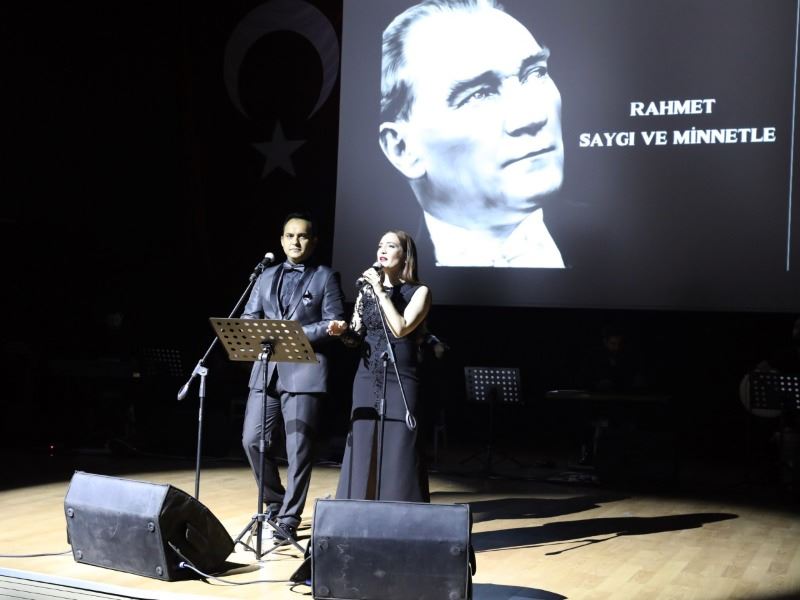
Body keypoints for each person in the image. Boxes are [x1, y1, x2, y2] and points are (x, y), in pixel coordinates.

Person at [378, 0, 565, 268]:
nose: (533, 117)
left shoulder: (619, 243)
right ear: (402, 149)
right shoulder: (390, 273)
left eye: (535, 73)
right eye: (478, 94)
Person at [240, 212, 346, 543]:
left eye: (302, 236)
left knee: (298, 449)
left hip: (304, 372)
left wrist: (290, 334)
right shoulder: (266, 275)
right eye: (289, 236)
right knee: (252, 441)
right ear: (282, 240)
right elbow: (248, 317)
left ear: (313, 242)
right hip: (266, 370)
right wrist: (266, 332)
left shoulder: (326, 276)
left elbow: (333, 322)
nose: (295, 242)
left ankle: (289, 517)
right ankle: (274, 502)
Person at [328, 230, 431, 501]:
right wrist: (342, 332)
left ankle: (401, 511)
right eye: (380, 245)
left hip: (401, 374)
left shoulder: (420, 292)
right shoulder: (366, 290)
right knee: (363, 439)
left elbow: (400, 328)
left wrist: (381, 291)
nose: (382, 250)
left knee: (400, 444)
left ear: (405, 256)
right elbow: (355, 338)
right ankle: (358, 508)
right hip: (367, 373)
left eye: (391, 245)